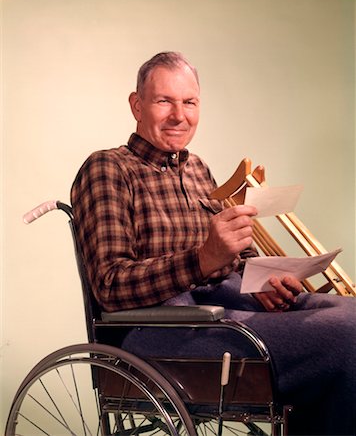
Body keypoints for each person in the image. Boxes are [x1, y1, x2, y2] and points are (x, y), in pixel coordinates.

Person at [71, 51, 355, 436]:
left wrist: (266, 282)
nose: (179, 115)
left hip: (230, 305)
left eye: (189, 102)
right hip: (164, 330)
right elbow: (109, 285)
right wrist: (202, 259)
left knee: (350, 312)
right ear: (136, 105)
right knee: (342, 334)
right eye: (164, 101)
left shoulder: (198, 169)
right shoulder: (107, 169)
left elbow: (235, 256)